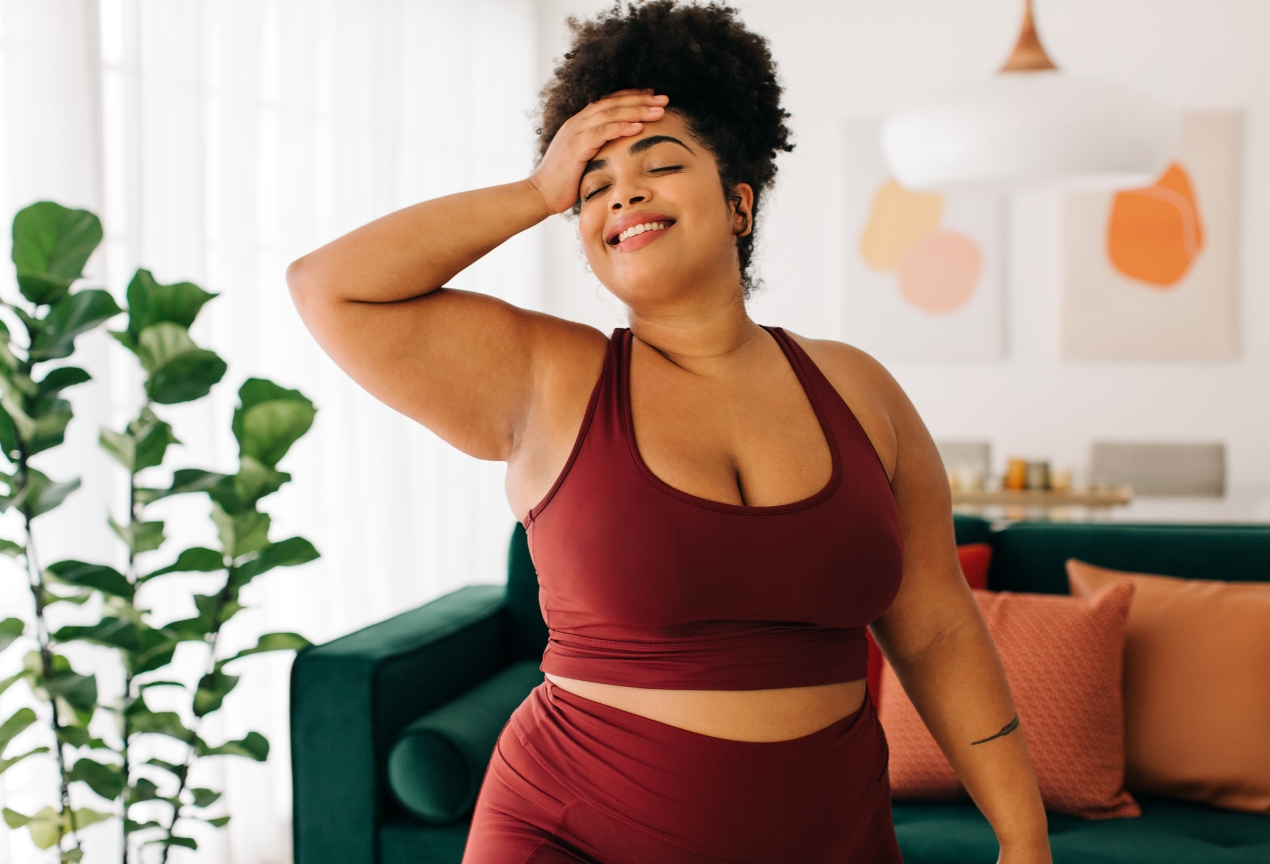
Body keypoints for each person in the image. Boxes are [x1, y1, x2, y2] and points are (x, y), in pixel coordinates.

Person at [287, 2, 1052, 862]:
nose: (625, 192)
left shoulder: (858, 388)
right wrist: (537, 192)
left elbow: (938, 629)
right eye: (593, 185)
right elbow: (330, 287)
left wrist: (1023, 837)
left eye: (659, 163)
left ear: (738, 203)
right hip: (571, 835)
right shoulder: (550, 377)